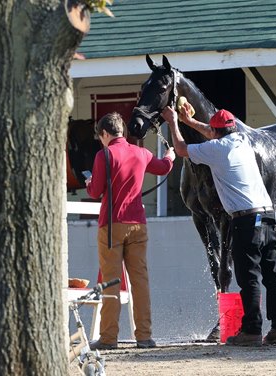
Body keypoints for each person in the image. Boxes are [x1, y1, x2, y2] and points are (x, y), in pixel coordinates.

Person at [161, 105, 276, 346]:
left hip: (246, 219)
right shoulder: (242, 139)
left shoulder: (217, 149)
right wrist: (190, 122)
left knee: (248, 275)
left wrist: (172, 122)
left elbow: (180, 149)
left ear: (217, 133)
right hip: (268, 215)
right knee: (273, 272)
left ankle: (251, 330)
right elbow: (211, 131)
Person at [85, 112, 175, 350]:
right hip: (138, 224)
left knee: (112, 283)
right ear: (122, 131)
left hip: (112, 225)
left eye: (100, 137)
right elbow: (164, 168)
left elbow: (95, 192)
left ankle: (108, 338)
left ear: (105, 134)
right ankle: (144, 337)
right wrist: (170, 155)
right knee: (140, 282)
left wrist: (89, 183)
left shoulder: (103, 154)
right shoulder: (142, 153)